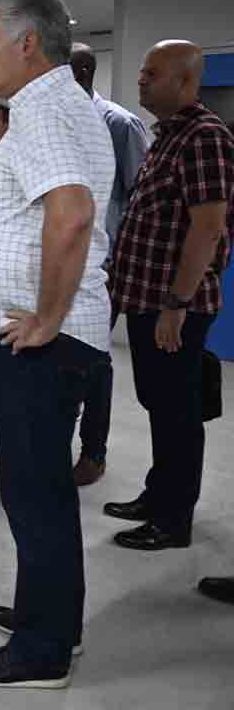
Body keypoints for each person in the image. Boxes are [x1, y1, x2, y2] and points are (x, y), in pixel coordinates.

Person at [0, 0, 115, 689]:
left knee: (35, 494)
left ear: (27, 43)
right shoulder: (51, 107)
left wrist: (46, 317)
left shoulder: (46, 106)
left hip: (44, 346)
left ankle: (43, 652)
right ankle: (48, 617)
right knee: (39, 489)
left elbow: (71, 214)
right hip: (42, 340)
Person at [104, 40, 234, 552]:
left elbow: (207, 228)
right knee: (160, 405)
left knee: (178, 414)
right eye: (141, 71)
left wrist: (176, 306)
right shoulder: (167, 136)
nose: (140, 80)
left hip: (172, 309)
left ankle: (173, 520)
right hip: (146, 302)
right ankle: (158, 496)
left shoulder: (204, 137)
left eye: (151, 73)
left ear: (185, 82)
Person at [67, 43, 151, 486]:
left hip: (105, 267)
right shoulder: (60, 124)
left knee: (94, 359)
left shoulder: (119, 124)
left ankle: (93, 452)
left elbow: (140, 200)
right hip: (63, 263)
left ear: (80, 72)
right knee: (63, 357)